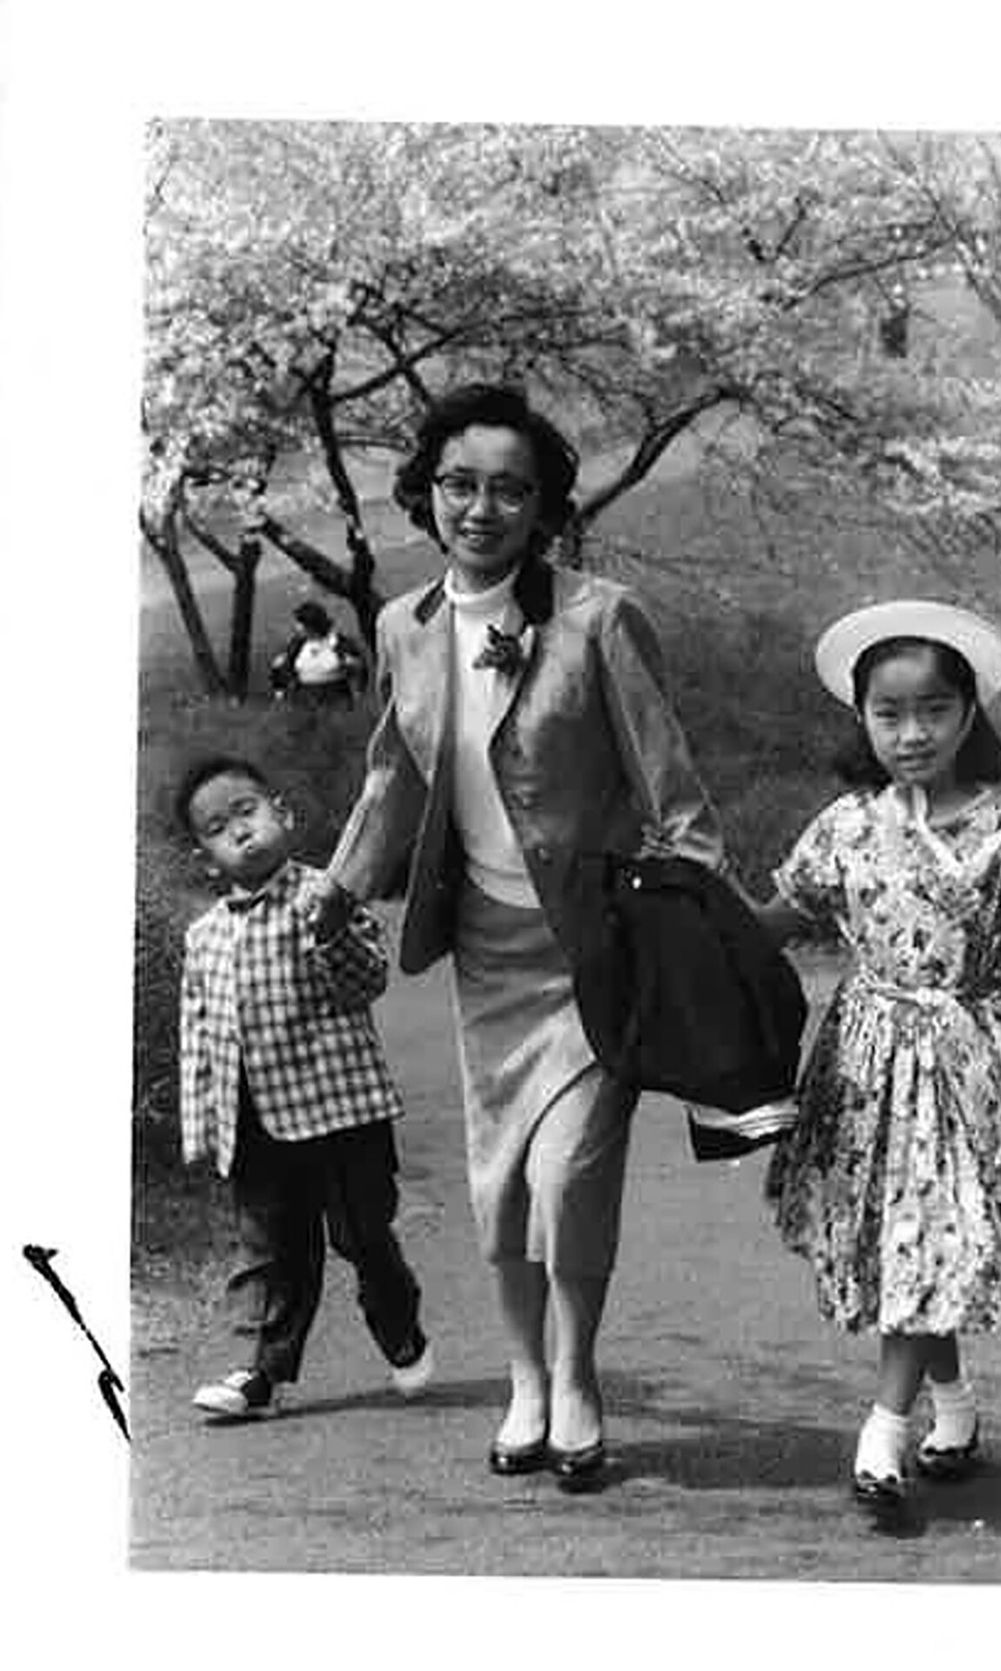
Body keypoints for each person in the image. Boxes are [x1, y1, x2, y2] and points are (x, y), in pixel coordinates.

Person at [311, 384, 726, 1489]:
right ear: (426, 494)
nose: (480, 508)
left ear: (540, 505)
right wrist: (341, 887)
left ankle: (576, 1373)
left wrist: (690, 920)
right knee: (500, 1180)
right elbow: (396, 779)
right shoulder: (405, 626)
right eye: (458, 485)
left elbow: (669, 785)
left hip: (594, 951)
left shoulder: (599, 617)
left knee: (569, 1176)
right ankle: (524, 1381)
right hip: (487, 955)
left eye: (508, 489)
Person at [756, 600, 1001, 1519]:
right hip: (864, 1064)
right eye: (889, 713)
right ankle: (953, 1409)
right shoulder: (843, 826)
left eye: (933, 711)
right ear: (861, 717)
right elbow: (775, 918)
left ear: (970, 714)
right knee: (910, 1244)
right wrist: (681, 890)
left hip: (968, 1066)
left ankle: (884, 1432)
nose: (911, 733)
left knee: (934, 1234)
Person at [176, 754, 434, 1421]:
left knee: (363, 1236)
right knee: (269, 1250)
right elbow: (199, 1037)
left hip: (342, 1109)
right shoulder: (204, 936)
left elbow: (367, 979)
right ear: (205, 857)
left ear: (281, 813)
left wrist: (331, 929)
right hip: (258, 1121)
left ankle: (399, 1327)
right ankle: (258, 1371)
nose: (239, 830)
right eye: (216, 827)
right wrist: (203, 1128)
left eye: (247, 810)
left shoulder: (327, 893)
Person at [270, 601, 368, 706]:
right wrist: (279, 689)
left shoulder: (338, 642)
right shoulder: (296, 644)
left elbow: (360, 668)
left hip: (334, 697)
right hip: (302, 697)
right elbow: (280, 666)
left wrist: (358, 690)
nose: (297, 627)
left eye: (300, 623)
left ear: (311, 624)